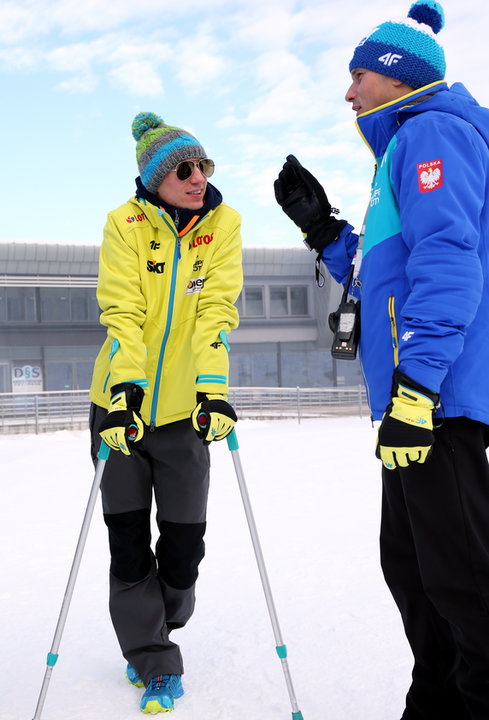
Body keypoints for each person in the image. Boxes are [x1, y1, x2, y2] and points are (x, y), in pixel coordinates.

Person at [274, 2, 489, 718]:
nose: (347, 92)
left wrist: (416, 389)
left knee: (460, 578)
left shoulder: (432, 134)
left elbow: (448, 264)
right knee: (413, 570)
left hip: (437, 399)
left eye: (357, 74)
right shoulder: (403, 147)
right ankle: (435, 701)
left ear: (396, 76)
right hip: (416, 397)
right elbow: (379, 275)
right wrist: (322, 228)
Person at [89, 111, 243, 713]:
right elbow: (122, 312)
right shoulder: (123, 224)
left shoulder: (223, 224)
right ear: (156, 178)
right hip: (120, 411)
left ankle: (161, 626)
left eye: (203, 164)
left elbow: (218, 312)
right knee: (129, 543)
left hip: (184, 416)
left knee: (183, 553)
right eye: (184, 168)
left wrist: (212, 389)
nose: (197, 176)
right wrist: (125, 392)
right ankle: (152, 658)